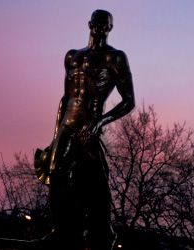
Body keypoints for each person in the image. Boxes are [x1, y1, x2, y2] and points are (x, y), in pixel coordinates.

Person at [44, 9, 135, 250]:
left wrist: (99, 122)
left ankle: (102, 233)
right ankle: (60, 230)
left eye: (105, 24)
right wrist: (55, 138)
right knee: (56, 176)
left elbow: (129, 101)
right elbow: (65, 99)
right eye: (96, 22)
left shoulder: (114, 58)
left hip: (89, 127)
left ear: (110, 28)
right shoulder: (72, 57)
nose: (100, 27)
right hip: (67, 126)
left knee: (95, 183)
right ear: (89, 24)